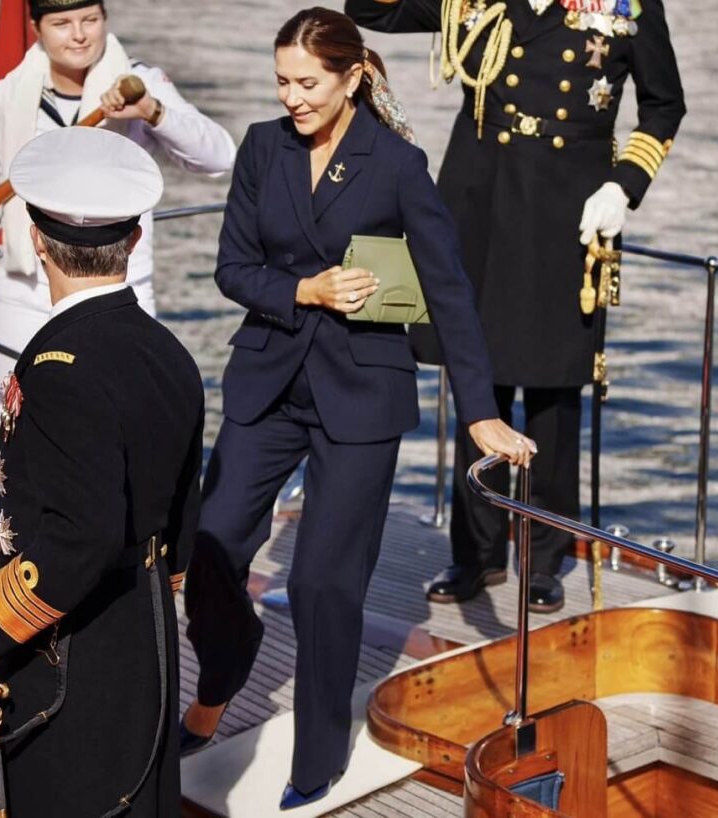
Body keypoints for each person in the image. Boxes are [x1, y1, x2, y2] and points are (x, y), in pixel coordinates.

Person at [179, 7, 534, 810]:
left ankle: (319, 752)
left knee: (321, 584)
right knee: (207, 544)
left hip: (362, 393)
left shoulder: (398, 164)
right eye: (282, 82)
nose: (293, 97)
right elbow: (233, 268)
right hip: (267, 384)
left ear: (349, 78)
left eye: (308, 83)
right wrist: (303, 288)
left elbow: (448, 291)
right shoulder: (263, 148)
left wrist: (477, 409)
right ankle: (226, 674)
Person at [0, 0, 234, 587]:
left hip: (116, 296)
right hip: (23, 298)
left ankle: (131, 591)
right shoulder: (12, 94)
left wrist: (153, 111)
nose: (79, 35)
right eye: (62, 23)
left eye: (90, 19)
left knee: (125, 441)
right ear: (37, 28)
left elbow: (218, 157)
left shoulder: (139, 83)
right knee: (2, 454)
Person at [346, 0, 686, 612]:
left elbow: (664, 105)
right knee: (478, 379)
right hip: (481, 198)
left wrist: (624, 186)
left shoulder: (626, 3)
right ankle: (475, 554)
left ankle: (545, 556)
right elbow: (371, 11)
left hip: (568, 206)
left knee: (554, 393)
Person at [0, 126, 205, 817]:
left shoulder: (59, 368)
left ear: (36, 239)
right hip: (143, 639)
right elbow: (181, 521)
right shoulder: (169, 354)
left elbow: (79, 541)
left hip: (69, 656)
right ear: (135, 241)